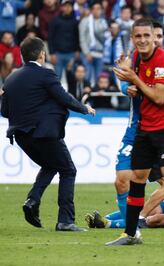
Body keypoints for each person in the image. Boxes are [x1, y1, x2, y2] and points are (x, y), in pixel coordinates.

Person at [107, 18, 164, 246]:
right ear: (132, 39)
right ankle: (130, 233)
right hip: (145, 127)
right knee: (137, 179)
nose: (144, 40)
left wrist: (133, 79)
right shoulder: (134, 58)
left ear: (154, 38)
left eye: (148, 36)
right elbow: (127, 84)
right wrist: (127, 83)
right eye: (138, 36)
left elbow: (158, 97)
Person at [0, 36, 96, 231]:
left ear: (22, 55)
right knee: (68, 170)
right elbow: (64, 98)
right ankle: (65, 221)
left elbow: (4, 112)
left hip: (21, 136)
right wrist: (84, 108)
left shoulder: (11, 79)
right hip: (44, 133)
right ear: (42, 54)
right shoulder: (47, 75)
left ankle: (32, 201)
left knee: (50, 165)